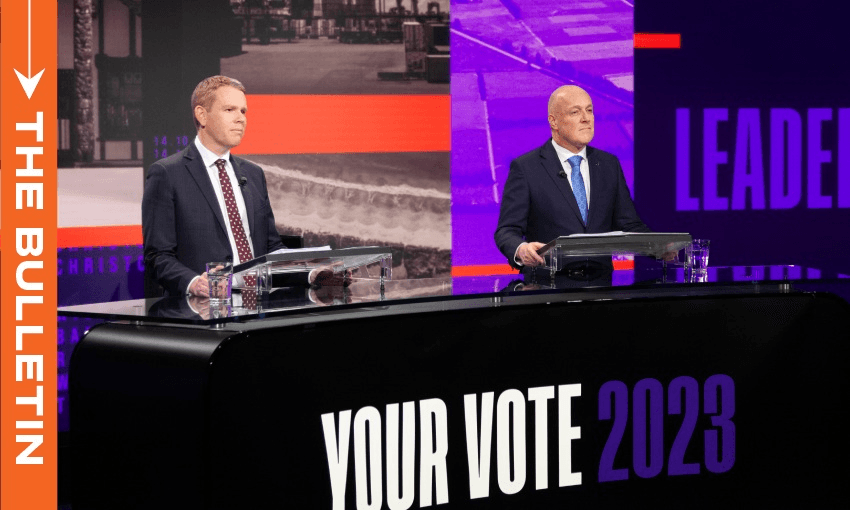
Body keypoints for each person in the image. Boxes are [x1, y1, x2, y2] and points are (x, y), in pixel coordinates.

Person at [143, 75, 343, 297]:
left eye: (243, 111)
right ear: (202, 115)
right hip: (204, 312)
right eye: (230, 110)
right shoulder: (168, 174)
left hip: (257, 308)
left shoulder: (253, 174)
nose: (241, 119)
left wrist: (312, 273)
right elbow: (158, 257)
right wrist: (194, 283)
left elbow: (271, 250)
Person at [494, 85, 651, 270]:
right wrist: (521, 249)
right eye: (575, 112)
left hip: (601, 288)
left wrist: (659, 246)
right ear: (554, 122)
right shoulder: (526, 168)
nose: (586, 119)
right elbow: (506, 230)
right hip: (547, 287)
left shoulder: (609, 164)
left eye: (589, 110)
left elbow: (629, 223)